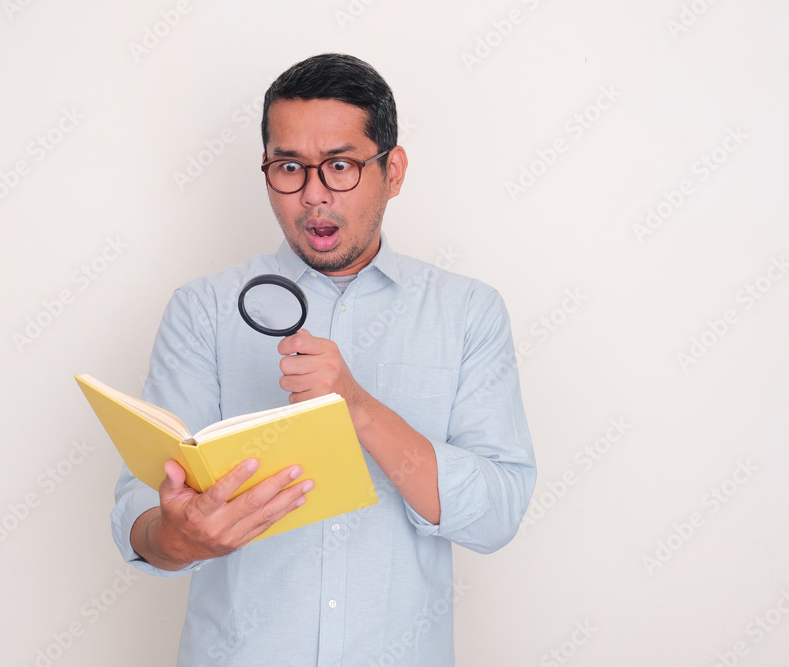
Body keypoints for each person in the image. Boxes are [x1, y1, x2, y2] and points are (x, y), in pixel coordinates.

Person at [111, 53, 536, 666]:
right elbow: (144, 512)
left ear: (393, 171)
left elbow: (496, 516)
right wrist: (178, 537)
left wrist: (358, 408)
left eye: (340, 166)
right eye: (289, 167)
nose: (313, 195)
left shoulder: (468, 312)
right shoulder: (203, 309)